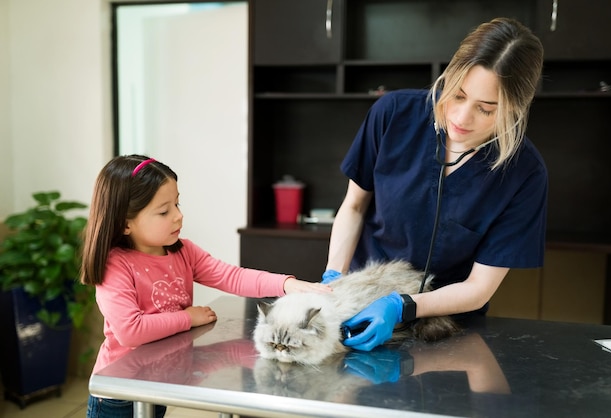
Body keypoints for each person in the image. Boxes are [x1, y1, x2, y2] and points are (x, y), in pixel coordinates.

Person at [322, 18, 547, 351]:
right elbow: (354, 206)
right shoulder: (392, 114)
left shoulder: (525, 173)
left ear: (514, 110)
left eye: (485, 110)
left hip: (446, 329)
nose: (461, 118)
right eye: (457, 95)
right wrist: (333, 280)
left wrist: (402, 305)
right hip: (358, 301)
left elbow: (478, 288)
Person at [81, 155, 330, 418]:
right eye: (164, 211)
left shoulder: (184, 252)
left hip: (155, 384)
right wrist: (188, 318)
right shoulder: (115, 265)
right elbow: (131, 332)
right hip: (119, 392)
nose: (178, 215)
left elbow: (232, 276)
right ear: (125, 223)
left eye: (177, 203)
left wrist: (286, 284)